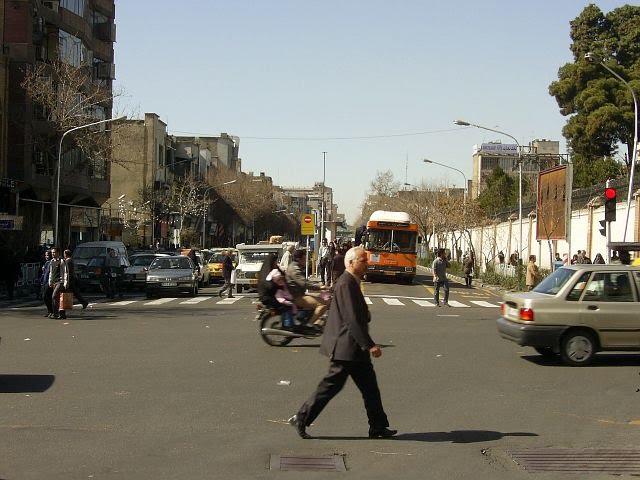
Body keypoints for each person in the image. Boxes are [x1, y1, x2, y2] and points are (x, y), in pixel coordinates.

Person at [288, 246, 396, 440]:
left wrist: (366, 315)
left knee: (370, 388)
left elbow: (356, 313)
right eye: (363, 261)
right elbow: (351, 318)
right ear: (351, 263)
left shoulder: (352, 282)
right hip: (346, 346)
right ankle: (301, 418)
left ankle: (378, 426)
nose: (367, 264)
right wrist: (370, 344)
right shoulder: (346, 282)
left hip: (354, 348)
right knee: (330, 386)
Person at [286, 249, 328, 326]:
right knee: (322, 304)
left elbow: (306, 282)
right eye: (304, 258)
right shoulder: (294, 269)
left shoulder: (296, 266)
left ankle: (306, 319)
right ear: (299, 259)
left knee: (317, 300)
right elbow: (304, 283)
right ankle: (309, 325)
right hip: (297, 297)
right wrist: (320, 287)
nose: (306, 260)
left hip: (299, 294)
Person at [49, 247, 66, 319]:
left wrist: (65, 282)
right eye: (52, 252)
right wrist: (50, 281)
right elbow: (51, 272)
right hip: (54, 282)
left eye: (54, 252)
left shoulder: (62, 261)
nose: (53, 254)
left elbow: (65, 272)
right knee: (58, 298)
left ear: (58, 253)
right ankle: (60, 314)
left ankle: (55, 313)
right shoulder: (52, 261)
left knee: (54, 296)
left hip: (60, 282)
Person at [40, 249, 53, 317]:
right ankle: (49, 311)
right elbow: (44, 273)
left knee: (46, 296)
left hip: (49, 282)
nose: (46, 256)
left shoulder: (52, 262)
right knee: (45, 297)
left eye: (48, 255)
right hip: (44, 282)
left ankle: (51, 311)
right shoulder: (46, 262)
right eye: (45, 255)